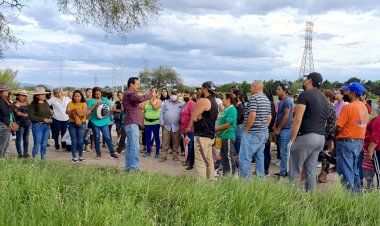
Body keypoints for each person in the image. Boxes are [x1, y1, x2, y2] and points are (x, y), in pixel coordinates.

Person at [289, 72, 329, 191]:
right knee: (310, 171)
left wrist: (292, 139)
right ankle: (311, 197)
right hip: (320, 137)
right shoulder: (323, 98)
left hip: (306, 136)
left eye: (306, 78)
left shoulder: (304, 95)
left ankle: (293, 199)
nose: (305, 80)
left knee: (295, 169)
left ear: (310, 80)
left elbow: (298, 118)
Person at [336, 82, 368, 192]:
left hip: (347, 142)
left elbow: (339, 127)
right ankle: (357, 195)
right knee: (355, 170)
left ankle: (349, 197)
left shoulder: (348, 107)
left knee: (346, 171)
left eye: (347, 91)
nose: (345, 93)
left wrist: (335, 134)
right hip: (359, 142)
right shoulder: (363, 107)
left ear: (353, 93)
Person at [238, 81, 271, 180]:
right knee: (259, 157)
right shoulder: (266, 99)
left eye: (251, 87)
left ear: (256, 87)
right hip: (263, 132)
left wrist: (246, 130)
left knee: (245, 157)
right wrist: (264, 127)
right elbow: (269, 117)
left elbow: (252, 115)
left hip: (253, 132)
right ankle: (260, 180)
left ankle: (244, 181)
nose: (250, 89)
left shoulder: (254, 98)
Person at [187, 81, 218, 180]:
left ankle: (201, 186)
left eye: (201, 89)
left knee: (200, 162)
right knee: (209, 161)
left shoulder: (204, 101)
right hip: (210, 136)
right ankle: (211, 182)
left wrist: (189, 127)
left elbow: (193, 116)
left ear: (205, 89)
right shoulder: (214, 101)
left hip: (202, 136)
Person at [123, 77, 152, 172]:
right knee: (135, 146)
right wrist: (150, 94)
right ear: (131, 84)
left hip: (131, 122)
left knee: (130, 146)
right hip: (132, 123)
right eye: (138, 84)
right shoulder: (130, 93)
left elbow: (137, 103)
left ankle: (128, 167)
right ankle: (134, 168)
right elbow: (139, 98)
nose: (139, 86)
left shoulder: (129, 94)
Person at [87, 87, 119, 160]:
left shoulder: (104, 99)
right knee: (97, 137)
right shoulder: (91, 101)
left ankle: (112, 153)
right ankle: (98, 153)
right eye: (96, 94)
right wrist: (95, 105)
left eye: (99, 94)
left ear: (101, 93)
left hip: (104, 121)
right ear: (93, 94)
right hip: (95, 121)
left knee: (107, 137)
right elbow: (88, 110)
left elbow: (110, 109)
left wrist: (112, 108)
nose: (98, 95)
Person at [274, 83, 294, 177]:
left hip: (285, 130)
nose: (277, 91)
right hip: (283, 130)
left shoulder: (287, 101)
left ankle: (284, 172)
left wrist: (278, 128)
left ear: (284, 90)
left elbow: (286, 116)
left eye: (279, 89)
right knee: (282, 152)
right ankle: (283, 170)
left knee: (284, 152)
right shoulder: (282, 101)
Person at [215, 93, 238, 175]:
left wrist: (216, 129)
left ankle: (231, 175)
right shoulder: (225, 109)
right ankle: (225, 174)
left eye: (224, 98)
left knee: (228, 156)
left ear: (228, 99)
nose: (222, 100)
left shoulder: (232, 110)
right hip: (222, 136)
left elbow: (228, 124)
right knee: (223, 156)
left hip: (228, 136)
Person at [317, 90, 336, 183]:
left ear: (328, 98)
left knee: (324, 155)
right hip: (328, 133)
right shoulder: (331, 106)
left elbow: (323, 121)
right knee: (324, 154)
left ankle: (323, 175)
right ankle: (322, 174)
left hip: (325, 134)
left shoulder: (327, 107)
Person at [28, 87, 52, 159]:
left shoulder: (46, 103)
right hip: (37, 126)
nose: (44, 96)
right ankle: (34, 159)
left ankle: (43, 159)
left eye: (44, 94)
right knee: (37, 144)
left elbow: (48, 114)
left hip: (47, 126)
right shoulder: (33, 104)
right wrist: (43, 119)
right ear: (37, 96)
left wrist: (50, 119)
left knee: (44, 144)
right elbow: (31, 116)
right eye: (41, 94)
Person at [159, 89, 183, 161]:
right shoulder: (166, 103)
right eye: (173, 93)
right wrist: (162, 122)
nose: (174, 95)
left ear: (178, 94)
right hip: (166, 126)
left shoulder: (181, 104)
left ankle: (175, 156)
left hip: (177, 127)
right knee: (165, 142)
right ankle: (163, 156)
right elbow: (162, 112)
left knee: (176, 143)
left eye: (175, 94)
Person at [67, 90, 88, 163]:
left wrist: (74, 111)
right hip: (72, 124)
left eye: (78, 96)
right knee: (74, 140)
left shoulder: (84, 104)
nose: (76, 98)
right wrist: (75, 111)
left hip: (82, 124)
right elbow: (67, 112)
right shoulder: (70, 103)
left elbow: (83, 113)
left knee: (81, 141)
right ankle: (74, 157)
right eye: (75, 96)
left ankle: (81, 156)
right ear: (73, 97)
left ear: (81, 97)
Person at [365, 98, 380, 189]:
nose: (377, 105)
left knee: (378, 172)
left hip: (378, 150)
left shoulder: (378, 120)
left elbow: (376, 137)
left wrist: (370, 150)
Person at [142, 88, 162, 158]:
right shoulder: (147, 102)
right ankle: (148, 151)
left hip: (155, 122)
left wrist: (150, 100)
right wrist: (142, 122)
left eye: (154, 92)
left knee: (156, 137)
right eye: (151, 92)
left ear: (156, 94)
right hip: (147, 122)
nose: (152, 93)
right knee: (147, 137)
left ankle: (157, 152)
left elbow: (155, 108)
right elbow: (142, 109)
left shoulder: (159, 101)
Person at [0, 83, 18, 158]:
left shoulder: (4, 100)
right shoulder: (1, 100)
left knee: (5, 144)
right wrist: (14, 107)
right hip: (2, 124)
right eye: (6, 90)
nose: (8, 92)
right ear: (2, 92)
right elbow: (5, 112)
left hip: (5, 124)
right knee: (2, 145)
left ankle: (3, 161)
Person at [14, 90, 32, 158]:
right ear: (18, 96)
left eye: (25, 95)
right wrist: (27, 115)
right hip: (19, 124)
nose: (24, 97)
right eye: (23, 95)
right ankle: (20, 154)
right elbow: (17, 113)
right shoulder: (15, 104)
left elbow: (31, 111)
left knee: (26, 139)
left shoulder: (27, 103)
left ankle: (26, 153)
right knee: (19, 139)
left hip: (28, 123)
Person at [181, 91, 196, 170]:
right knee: (186, 146)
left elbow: (193, 116)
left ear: (190, 96)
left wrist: (189, 127)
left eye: (186, 95)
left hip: (190, 129)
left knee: (189, 146)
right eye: (184, 95)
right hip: (184, 129)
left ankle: (190, 162)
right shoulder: (184, 105)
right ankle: (187, 160)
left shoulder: (192, 104)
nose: (185, 96)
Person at [263, 88, 276, 176]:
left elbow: (272, 117)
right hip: (265, 129)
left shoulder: (269, 104)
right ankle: (262, 169)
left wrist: (268, 127)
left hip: (266, 129)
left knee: (266, 150)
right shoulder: (268, 103)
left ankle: (265, 169)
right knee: (263, 150)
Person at [233, 91, 245, 155]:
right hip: (235, 126)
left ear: (237, 96)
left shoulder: (241, 107)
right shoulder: (236, 105)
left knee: (238, 143)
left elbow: (238, 118)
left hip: (238, 126)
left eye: (233, 95)